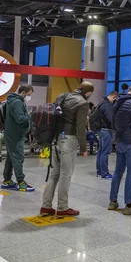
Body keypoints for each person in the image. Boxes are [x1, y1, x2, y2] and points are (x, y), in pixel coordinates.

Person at [41, 82, 93, 216]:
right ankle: (62, 207)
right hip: (69, 139)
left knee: (54, 174)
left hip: (56, 138)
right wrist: (83, 147)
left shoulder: (64, 97)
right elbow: (80, 127)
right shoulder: (82, 103)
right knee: (66, 174)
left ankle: (46, 206)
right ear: (88, 93)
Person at [108, 84, 131, 215]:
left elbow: (112, 122)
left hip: (120, 141)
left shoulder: (117, 102)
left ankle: (113, 201)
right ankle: (129, 205)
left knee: (118, 171)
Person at [1, 84, 34, 192]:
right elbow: (20, 118)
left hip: (11, 132)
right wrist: (30, 115)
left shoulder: (11, 101)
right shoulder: (18, 102)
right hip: (16, 134)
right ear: (23, 92)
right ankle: (20, 182)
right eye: (28, 94)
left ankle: (7, 180)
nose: (29, 97)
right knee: (18, 157)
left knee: (11, 157)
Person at [96, 91, 118, 179]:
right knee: (105, 152)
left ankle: (100, 171)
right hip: (106, 130)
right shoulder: (107, 105)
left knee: (101, 151)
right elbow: (110, 119)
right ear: (114, 97)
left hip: (101, 130)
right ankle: (104, 173)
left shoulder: (101, 103)